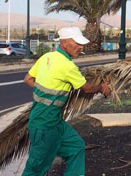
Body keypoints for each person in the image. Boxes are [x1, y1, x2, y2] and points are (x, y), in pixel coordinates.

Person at [22, 27, 111, 175]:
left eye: (81, 44)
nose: (81, 47)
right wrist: (102, 88)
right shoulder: (67, 66)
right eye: (77, 43)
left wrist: (45, 93)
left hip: (55, 122)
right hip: (44, 124)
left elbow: (28, 79)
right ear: (64, 43)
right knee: (36, 169)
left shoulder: (46, 57)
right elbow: (87, 88)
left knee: (76, 146)